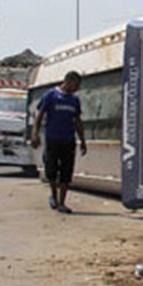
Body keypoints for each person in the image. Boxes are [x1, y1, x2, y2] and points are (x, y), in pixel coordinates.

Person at [31, 71, 87, 214]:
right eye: (76, 84)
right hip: (53, 138)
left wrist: (82, 140)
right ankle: (53, 195)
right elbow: (40, 116)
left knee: (66, 172)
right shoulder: (51, 95)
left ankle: (62, 202)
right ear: (68, 81)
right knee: (51, 169)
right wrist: (35, 134)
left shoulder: (74, 100)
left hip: (68, 140)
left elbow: (78, 121)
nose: (77, 88)